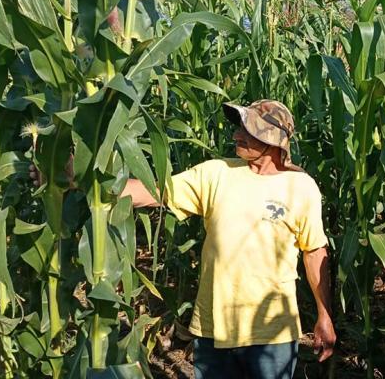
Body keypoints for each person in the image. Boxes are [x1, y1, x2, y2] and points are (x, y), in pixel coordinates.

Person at [34, 100, 336, 378]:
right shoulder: (217, 173)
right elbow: (152, 192)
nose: (236, 135)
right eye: (240, 128)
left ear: (272, 139)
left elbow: (315, 252)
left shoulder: (301, 187)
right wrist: (74, 177)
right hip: (213, 329)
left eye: (248, 131)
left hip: (271, 332)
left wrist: (324, 314)